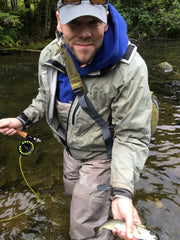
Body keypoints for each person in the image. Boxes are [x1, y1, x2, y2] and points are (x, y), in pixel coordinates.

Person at [0, 0, 152, 239]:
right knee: (75, 196)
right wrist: (23, 120)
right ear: (60, 23)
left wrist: (122, 192)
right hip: (69, 148)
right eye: (74, 23)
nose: (85, 33)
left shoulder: (131, 68)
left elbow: (131, 136)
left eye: (93, 22)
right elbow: (45, 97)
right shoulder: (50, 55)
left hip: (105, 156)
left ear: (107, 24)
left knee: (83, 228)